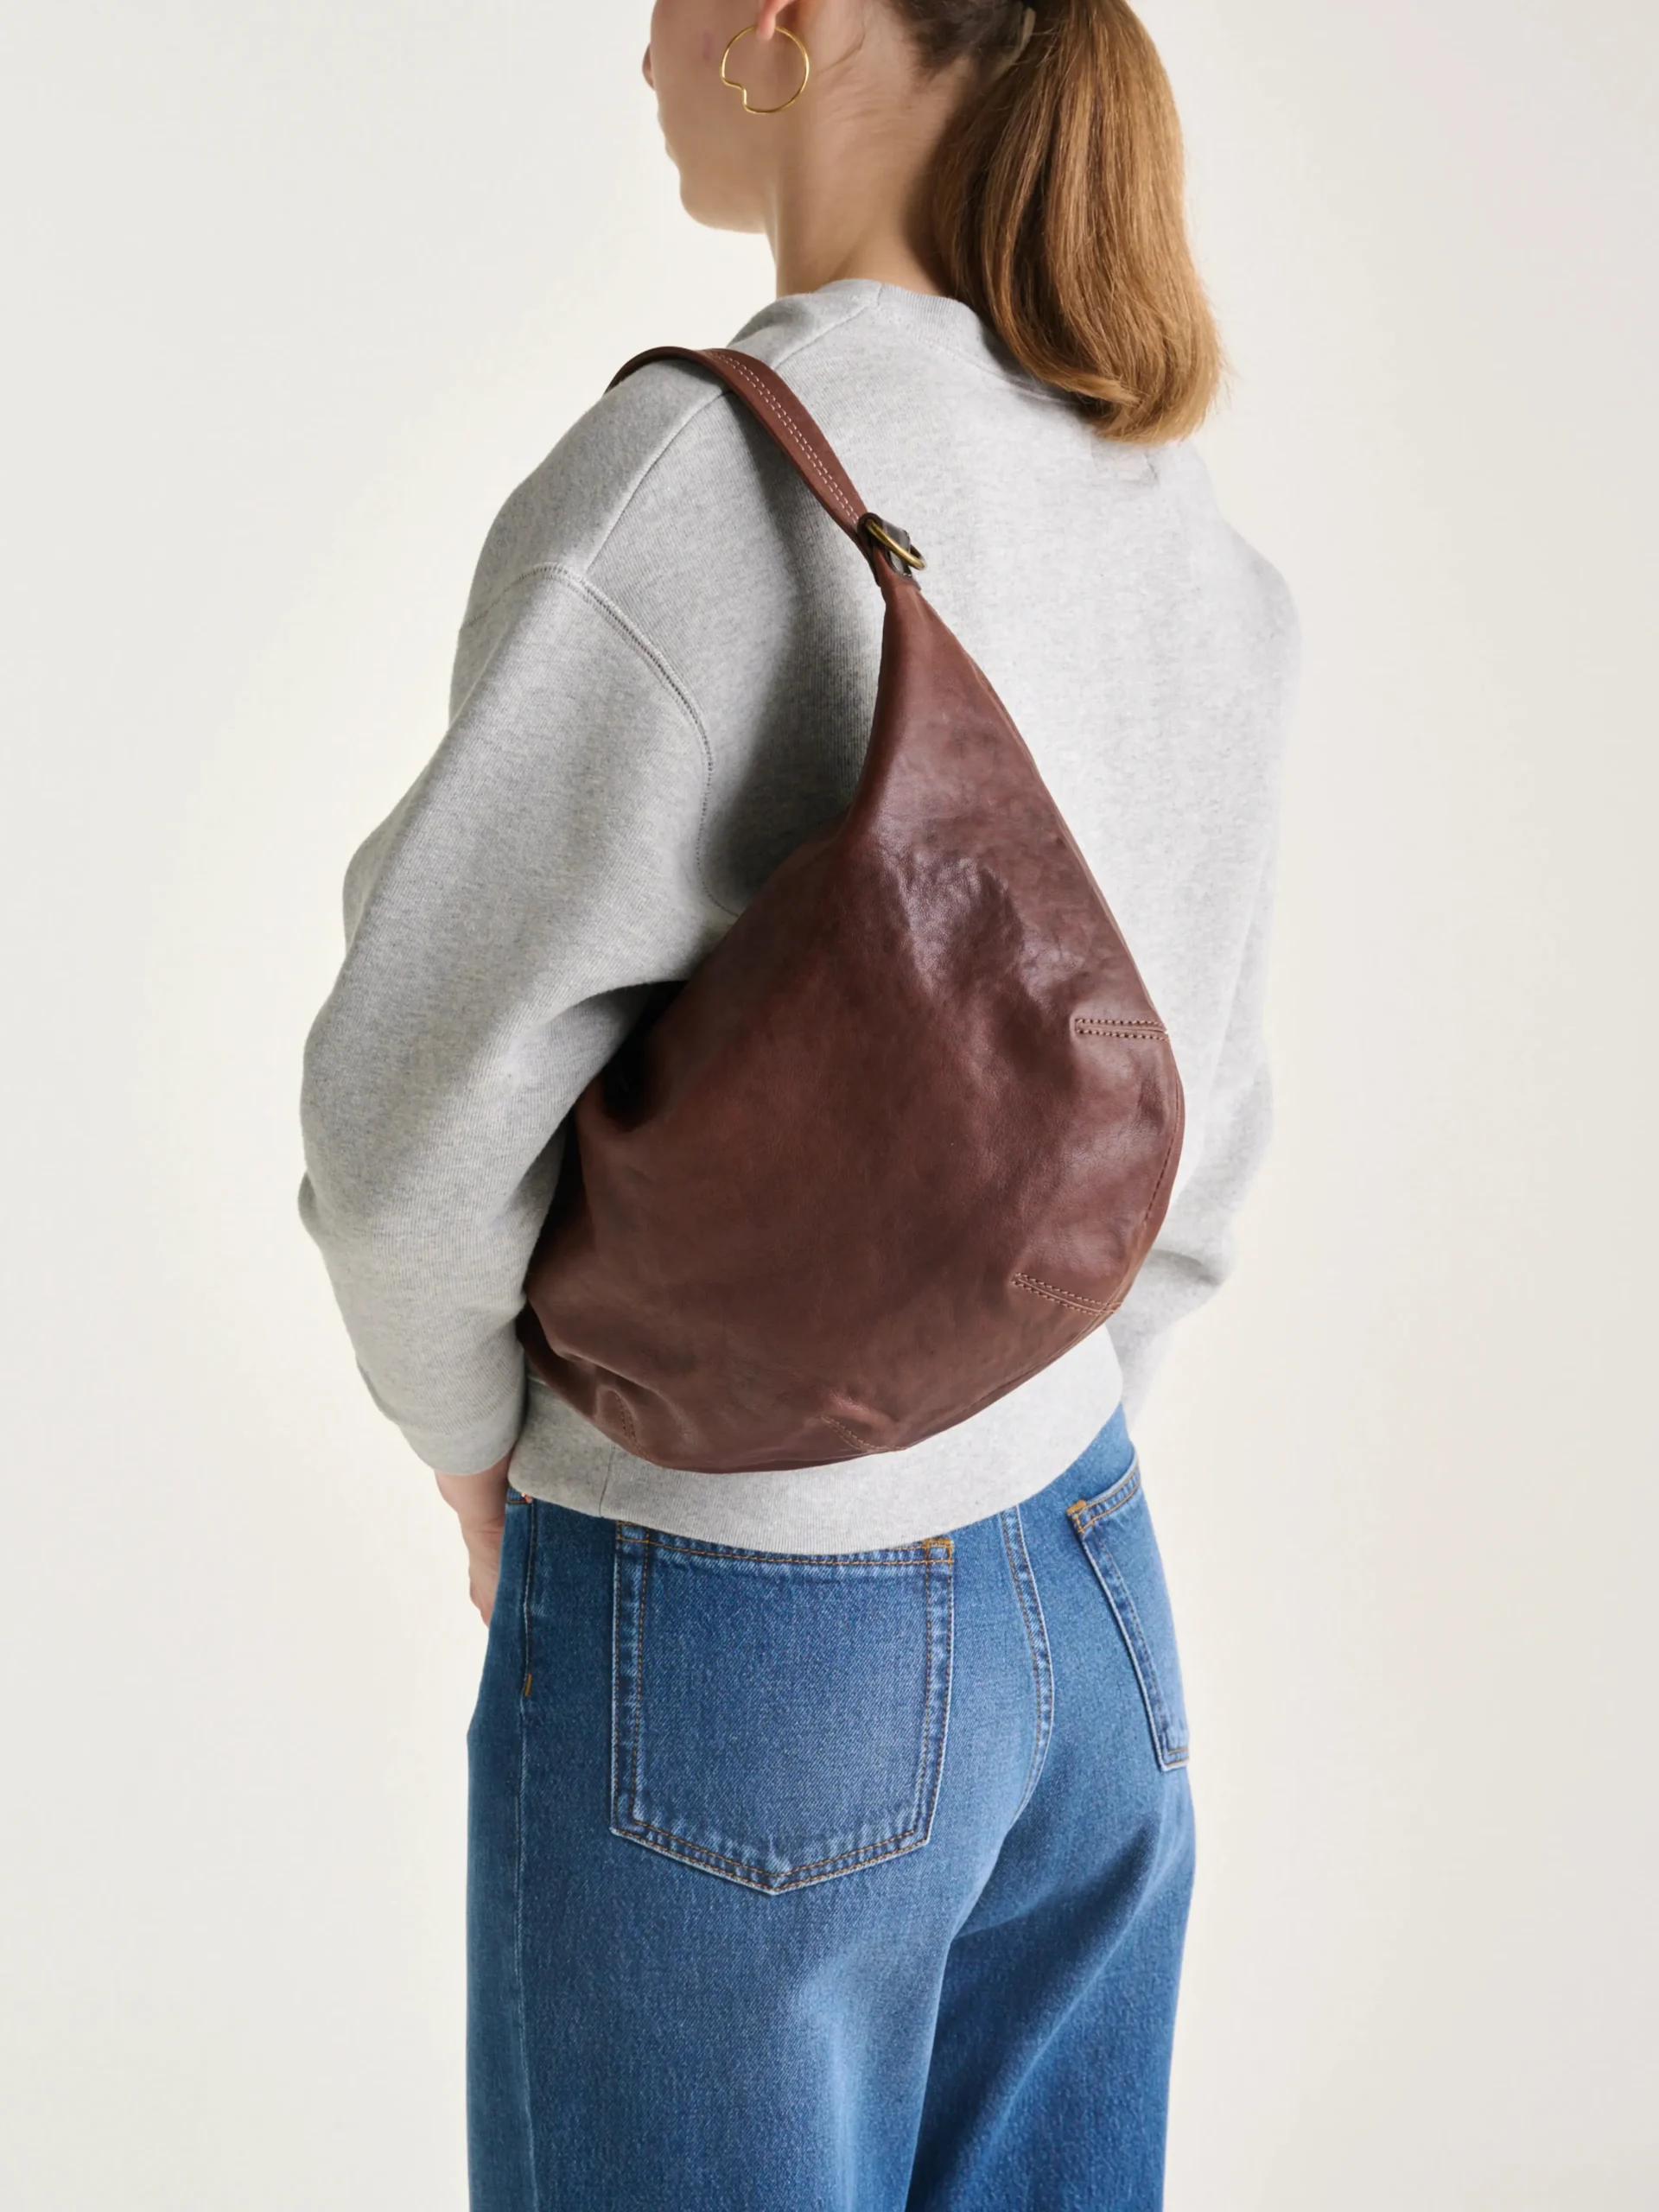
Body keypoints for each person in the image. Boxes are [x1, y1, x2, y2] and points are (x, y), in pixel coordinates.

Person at [300, 1, 1295, 2203]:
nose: (637, 40)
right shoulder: (1164, 501)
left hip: (749, 1639)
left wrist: (473, 1447)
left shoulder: (706, 479)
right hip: (1097, 1601)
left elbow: (401, 1127)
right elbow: (1188, 1144)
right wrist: (1003, 1428)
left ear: (793, 24)